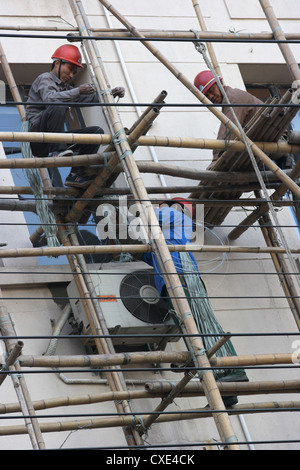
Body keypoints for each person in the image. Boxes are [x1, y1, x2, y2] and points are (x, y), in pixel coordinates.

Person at [143, 197, 248, 406]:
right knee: (189, 326)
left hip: (180, 275)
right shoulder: (165, 235)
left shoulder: (177, 216)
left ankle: (230, 371)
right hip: (170, 279)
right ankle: (225, 391)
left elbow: (154, 215)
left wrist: (157, 206)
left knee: (201, 323)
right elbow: (150, 256)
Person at [25, 44, 125, 188]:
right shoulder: (45, 78)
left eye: (74, 72)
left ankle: (77, 175)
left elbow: (86, 99)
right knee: (58, 104)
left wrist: (111, 93)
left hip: (54, 137)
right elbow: (50, 99)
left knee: (96, 133)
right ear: (57, 63)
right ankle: (57, 151)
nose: (71, 75)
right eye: (70, 70)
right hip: (37, 137)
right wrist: (78, 90)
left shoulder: (65, 88)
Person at [194, 70, 289, 170]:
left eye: (211, 90)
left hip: (275, 141)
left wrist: (216, 159)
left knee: (233, 154)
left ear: (220, 83)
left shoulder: (233, 98)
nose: (210, 96)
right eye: (207, 95)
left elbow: (228, 131)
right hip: (263, 143)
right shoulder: (229, 98)